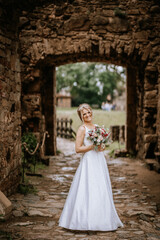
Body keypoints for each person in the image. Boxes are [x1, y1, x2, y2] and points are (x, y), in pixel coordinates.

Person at [58, 103, 123, 231]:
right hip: (89, 161)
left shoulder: (97, 127)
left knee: (101, 187)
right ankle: (83, 220)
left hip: (99, 160)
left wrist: (101, 146)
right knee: (88, 187)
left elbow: (102, 146)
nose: (88, 115)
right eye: (84, 114)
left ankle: (102, 219)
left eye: (89, 112)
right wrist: (92, 146)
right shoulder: (82, 129)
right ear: (81, 116)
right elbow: (77, 149)